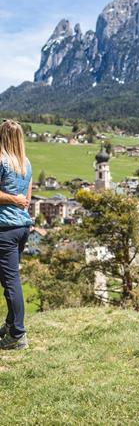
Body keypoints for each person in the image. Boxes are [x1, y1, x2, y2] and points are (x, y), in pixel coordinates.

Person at [0, 120, 32, 350]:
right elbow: (26, 200)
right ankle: (11, 324)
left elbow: (19, 199)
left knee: (11, 281)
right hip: (21, 228)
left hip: (4, 229)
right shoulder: (25, 164)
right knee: (8, 278)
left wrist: (11, 199)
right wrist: (16, 199)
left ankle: (18, 335)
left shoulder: (1, 161)